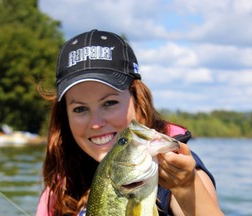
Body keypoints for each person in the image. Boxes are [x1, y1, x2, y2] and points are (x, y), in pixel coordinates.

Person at [36, 29, 224, 216]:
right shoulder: (60, 187)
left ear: (137, 100)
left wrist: (185, 186)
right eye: (80, 109)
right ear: (65, 115)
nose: (96, 123)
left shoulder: (176, 168)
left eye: (110, 103)